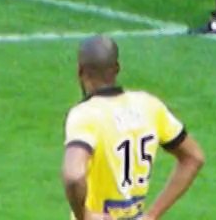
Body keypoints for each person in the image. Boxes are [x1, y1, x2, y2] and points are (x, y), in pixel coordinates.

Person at [61, 35, 205, 220]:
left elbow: (73, 176)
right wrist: (152, 215)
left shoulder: (85, 114)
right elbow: (194, 157)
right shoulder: (149, 105)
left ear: (80, 71)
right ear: (117, 69)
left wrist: (86, 216)